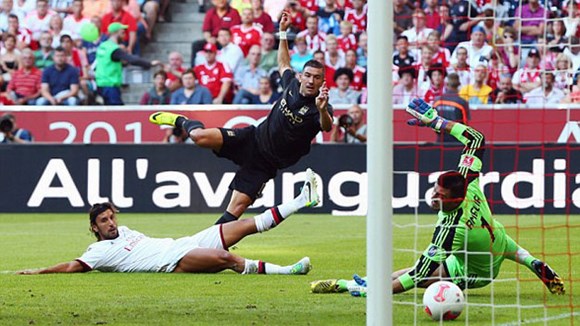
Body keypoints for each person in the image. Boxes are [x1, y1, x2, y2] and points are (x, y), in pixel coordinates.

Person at [310, 98, 566, 297]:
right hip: (497, 238)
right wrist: (437, 122)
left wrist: (375, 295)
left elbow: (419, 275)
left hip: (479, 271)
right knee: (510, 251)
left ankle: (360, 286)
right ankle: (533, 262)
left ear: (454, 200)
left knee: (423, 275)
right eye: (434, 190)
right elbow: (476, 139)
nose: (433, 197)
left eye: (440, 196)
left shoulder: (450, 230)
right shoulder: (469, 180)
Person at [149, 10, 332, 225]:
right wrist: (282, 33)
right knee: (199, 137)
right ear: (301, 76)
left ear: (322, 82)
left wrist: (321, 109)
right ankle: (180, 120)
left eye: (317, 78)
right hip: (252, 139)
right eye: (308, 75)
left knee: (233, 212)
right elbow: (283, 63)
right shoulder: (292, 83)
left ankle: (208, 246)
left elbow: (326, 126)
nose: (311, 81)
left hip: (265, 163)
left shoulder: (320, 106)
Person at [17, 169, 319, 275]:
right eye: (104, 221)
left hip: (184, 243)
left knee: (245, 225)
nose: (111, 223)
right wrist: (38, 270)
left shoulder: (125, 231)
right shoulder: (97, 253)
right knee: (227, 258)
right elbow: (72, 267)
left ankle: (302, 199)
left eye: (111, 217)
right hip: (174, 260)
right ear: (94, 228)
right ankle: (288, 271)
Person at [95, 22, 161, 105]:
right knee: (117, 112)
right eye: (122, 32)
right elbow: (132, 59)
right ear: (115, 33)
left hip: (100, 84)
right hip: (110, 85)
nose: (125, 36)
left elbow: (108, 61)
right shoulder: (114, 49)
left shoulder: (103, 46)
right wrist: (149, 63)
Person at [433, 73, 469, 143]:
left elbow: (433, 122)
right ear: (459, 84)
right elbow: (465, 125)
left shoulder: (437, 101)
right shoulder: (462, 102)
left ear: (446, 84)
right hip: (457, 142)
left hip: (440, 141)